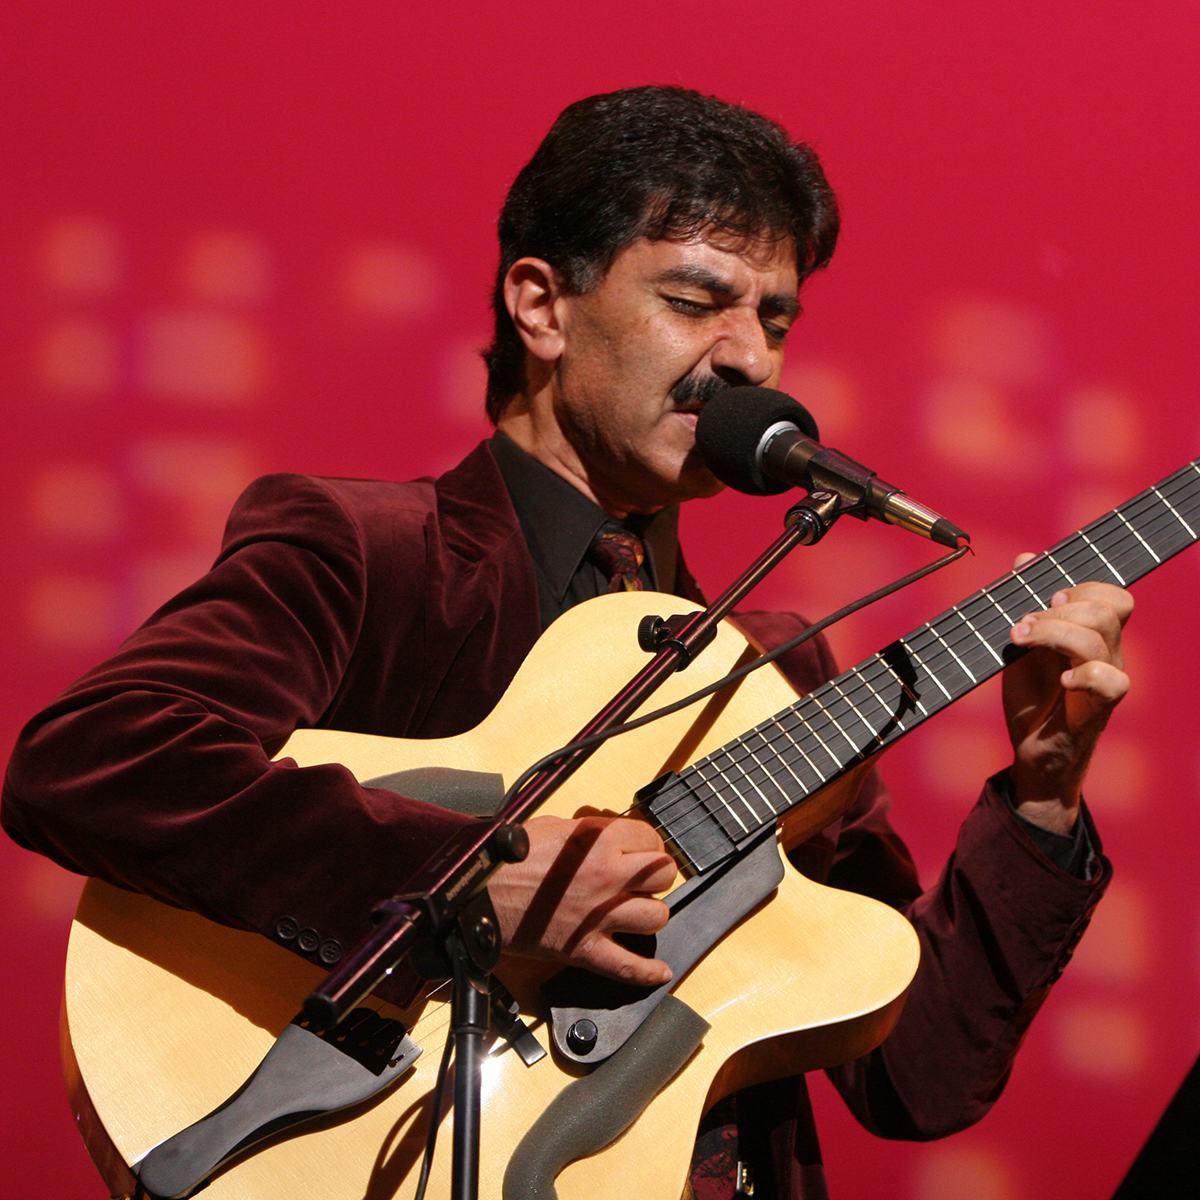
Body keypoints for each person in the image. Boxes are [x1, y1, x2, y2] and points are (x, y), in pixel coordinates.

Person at [2, 87, 1130, 1199]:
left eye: (775, 319)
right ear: (542, 309)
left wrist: (1042, 793)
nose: (747, 357)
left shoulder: (778, 669)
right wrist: (447, 887)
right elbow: (97, 757)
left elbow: (918, 1079)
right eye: (696, 300)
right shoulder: (371, 553)